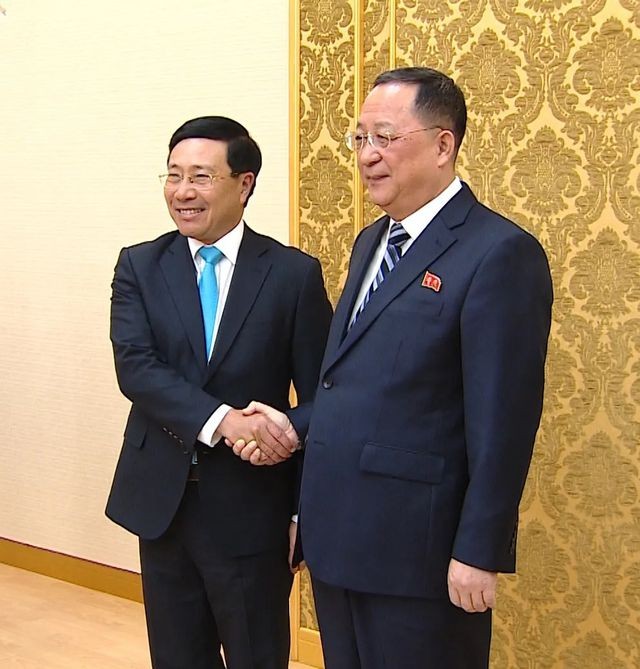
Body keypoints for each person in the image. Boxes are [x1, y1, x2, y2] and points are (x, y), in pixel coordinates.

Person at [234, 68, 553, 668]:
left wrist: (480, 549)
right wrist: (294, 428)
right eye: (360, 138)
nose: (367, 155)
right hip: (339, 538)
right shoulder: (370, 242)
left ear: (443, 144)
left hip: (419, 553)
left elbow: (504, 424)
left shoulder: (499, 253)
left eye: (384, 137)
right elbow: (354, 384)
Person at [105, 116, 332, 669]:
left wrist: (303, 513)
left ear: (244, 183)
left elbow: (324, 397)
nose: (182, 191)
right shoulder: (140, 265)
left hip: (254, 511)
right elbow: (137, 369)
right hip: (163, 504)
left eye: (201, 177)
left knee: (258, 656)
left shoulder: (292, 275)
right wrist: (225, 420)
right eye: (173, 175)